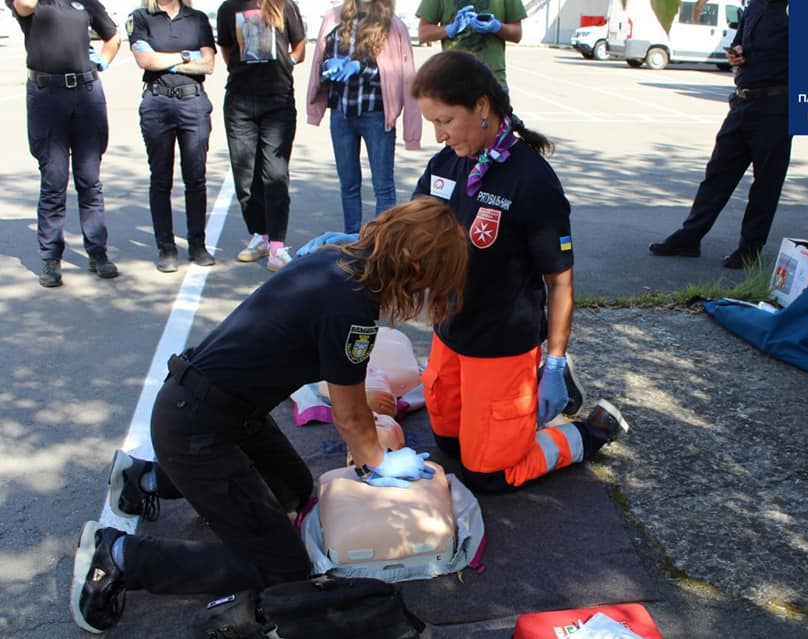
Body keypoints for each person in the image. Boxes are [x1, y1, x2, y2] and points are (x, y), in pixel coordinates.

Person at [69, 199, 469, 634]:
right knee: (283, 568)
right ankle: (119, 557)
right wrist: (380, 462)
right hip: (197, 428)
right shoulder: (353, 307)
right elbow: (351, 419)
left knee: (295, 493)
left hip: (217, 409)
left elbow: (342, 390)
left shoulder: (338, 260)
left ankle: (145, 478)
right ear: (417, 270)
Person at [304, 50, 625, 494]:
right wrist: (356, 244)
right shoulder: (449, 162)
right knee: (449, 444)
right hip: (451, 332)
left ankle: (587, 433)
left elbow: (560, 280)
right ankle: (509, 422)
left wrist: (554, 359)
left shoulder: (532, 181)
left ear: (482, 106)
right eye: (432, 122)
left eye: (446, 120)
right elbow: (410, 227)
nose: (438, 135)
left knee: (487, 474)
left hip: (501, 345)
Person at [648, 0, 790, 269]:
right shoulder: (755, 6)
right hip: (742, 103)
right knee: (717, 174)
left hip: (777, 107)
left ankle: (750, 249)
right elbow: (739, 45)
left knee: (766, 184)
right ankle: (689, 238)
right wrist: (736, 53)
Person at [7, 0, 121, 287]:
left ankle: (98, 252)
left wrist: (103, 61)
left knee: (90, 179)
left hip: (86, 93)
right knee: (54, 180)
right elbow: (24, 5)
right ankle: (50, 259)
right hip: (47, 95)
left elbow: (112, 35)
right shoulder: (34, 4)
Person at [305, 0, 421, 234]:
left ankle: (381, 245)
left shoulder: (393, 24)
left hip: (377, 115)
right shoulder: (334, 18)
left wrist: (360, 67)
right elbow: (320, 60)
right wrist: (330, 65)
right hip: (341, 114)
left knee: (383, 186)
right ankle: (351, 241)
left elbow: (403, 76)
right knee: (348, 184)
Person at [127, 0, 217, 273]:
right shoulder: (141, 17)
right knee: (161, 179)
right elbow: (146, 60)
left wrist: (165, 60)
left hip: (193, 103)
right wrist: (187, 57)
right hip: (158, 103)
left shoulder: (197, 18)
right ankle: (166, 248)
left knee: (195, 177)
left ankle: (197, 245)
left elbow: (209, 64)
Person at [217, 0, 306, 271]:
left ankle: (277, 246)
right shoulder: (228, 8)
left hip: (277, 100)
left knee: (275, 174)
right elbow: (227, 50)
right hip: (240, 101)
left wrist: (286, 61)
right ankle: (260, 236)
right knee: (245, 174)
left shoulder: (284, 6)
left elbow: (300, 46)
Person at [415, 0, 525, 88]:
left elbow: (516, 34)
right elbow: (424, 34)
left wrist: (497, 27)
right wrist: (449, 29)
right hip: (453, 79)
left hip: (492, 80)